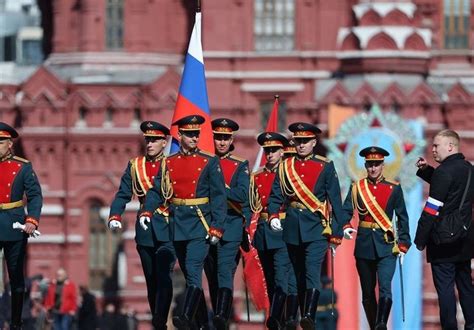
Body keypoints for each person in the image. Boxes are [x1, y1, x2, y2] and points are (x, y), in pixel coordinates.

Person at [139, 115, 227, 329]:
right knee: (189, 276)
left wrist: (217, 227)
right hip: (177, 225)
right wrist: (147, 212)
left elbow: (218, 197)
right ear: (180, 136)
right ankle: (202, 322)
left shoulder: (209, 161)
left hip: (200, 224)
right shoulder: (168, 162)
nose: (194, 137)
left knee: (193, 267)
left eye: (196, 133)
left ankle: (186, 316)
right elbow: (157, 190)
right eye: (189, 134)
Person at [267, 122, 344, 330]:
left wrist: (337, 234)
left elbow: (336, 202)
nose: (301, 145)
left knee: (311, 272)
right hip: (292, 227)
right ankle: (295, 315)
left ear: (313, 142)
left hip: (316, 228)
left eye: (305, 141)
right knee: (294, 275)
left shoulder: (325, 166)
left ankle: (308, 315)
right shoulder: (285, 166)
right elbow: (275, 196)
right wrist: (273, 214)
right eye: (298, 141)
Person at [107, 120, 176, 329]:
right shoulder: (135, 165)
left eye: (155, 140)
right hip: (145, 229)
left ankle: (160, 319)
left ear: (164, 143)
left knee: (165, 275)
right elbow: (123, 193)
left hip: (168, 226)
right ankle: (157, 317)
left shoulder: (172, 163)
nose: (150, 143)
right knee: (151, 278)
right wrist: (115, 215)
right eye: (148, 139)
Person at [342, 146, 411, 330]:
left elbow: (402, 217)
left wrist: (403, 243)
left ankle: (381, 324)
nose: (373, 168)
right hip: (364, 246)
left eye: (377, 164)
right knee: (367, 292)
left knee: (385, 287)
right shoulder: (357, 188)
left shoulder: (394, 189)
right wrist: (346, 225)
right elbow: (346, 211)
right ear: (365, 165)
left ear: (383, 165)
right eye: (370, 164)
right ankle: (374, 325)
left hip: (387, 246)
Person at [415, 129, 474, 330]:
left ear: (450, 146)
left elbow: (431, 209)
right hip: (465, 238)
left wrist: (420, 239)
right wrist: (426, 171)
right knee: (466, 286)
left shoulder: (443, 172)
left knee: (446, 291)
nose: (432, 150)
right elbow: (453, 188)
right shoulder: (468, 169)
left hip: (443, 240)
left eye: (436, 145)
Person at [201, 118, 250, 330]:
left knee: (224, 271)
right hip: (205, 225)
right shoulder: (204, 162)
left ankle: (221, 315)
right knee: (211, 274)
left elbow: (243, 194)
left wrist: (220, 189)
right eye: (218, 137)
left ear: (232, 140)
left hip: (230, 227)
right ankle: (220, 314)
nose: (221, 142)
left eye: (225, 138)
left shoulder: (240, 166)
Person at [249, 132, 298, 329]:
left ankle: (277, 319)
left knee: (281, 279)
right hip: (263, 233)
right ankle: (281, 318)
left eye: (274, 150)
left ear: (282, 151)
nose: (270, 154)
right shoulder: (257, 176)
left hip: (283, 230)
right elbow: (251, 205)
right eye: (267, 150)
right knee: (270, 280)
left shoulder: (289, 174)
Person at [0, 122, 43, 330]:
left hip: (13, 224)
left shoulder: (22, 166)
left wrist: (31, 220)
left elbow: (34, 195)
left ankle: (16, 323)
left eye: (0, 142)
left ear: (9, 144)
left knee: (16, 277)